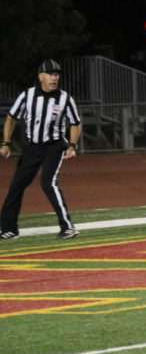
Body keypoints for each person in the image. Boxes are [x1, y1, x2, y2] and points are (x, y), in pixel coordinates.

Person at [0, 60, 82, 240]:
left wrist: (72, 145)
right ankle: (9, 229)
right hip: (31, 148)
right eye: (51, 74)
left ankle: (67, 226)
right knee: (16, 187)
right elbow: (11, 118)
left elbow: (75, 123)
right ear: (40, 76)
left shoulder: (65, 98)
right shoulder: (27, 96)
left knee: (48, 183)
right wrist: (6, 142)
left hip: (54, 146)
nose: (55, 78)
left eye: (57, 75)